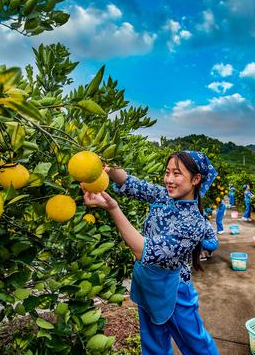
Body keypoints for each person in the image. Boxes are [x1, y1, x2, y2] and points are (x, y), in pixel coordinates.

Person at [82, 151, 219, 355]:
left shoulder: (194, 223)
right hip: (147, 282)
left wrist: (113, 208)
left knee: (196, 344)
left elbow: (143, 250)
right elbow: (131, 183)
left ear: (196, 179)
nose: (169, 180)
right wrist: (104, 169)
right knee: (153, 345)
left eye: (177, 174)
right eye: (167, 172)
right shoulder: (163, 196)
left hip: (174, 291)